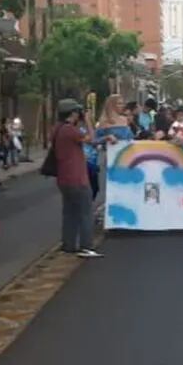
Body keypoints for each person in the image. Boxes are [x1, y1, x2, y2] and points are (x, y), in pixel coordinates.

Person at [53, 99, 104, 258]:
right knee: (85, 212)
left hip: (63, 177)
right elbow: (92, 139)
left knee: (69, 212)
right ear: (73, 113)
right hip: (77, 177)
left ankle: (68, 244)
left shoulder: (57, 129)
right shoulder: (70, 130)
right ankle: (86, 246)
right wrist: (89, 120)